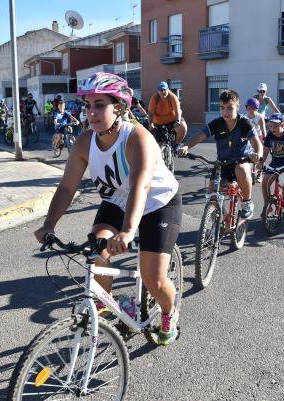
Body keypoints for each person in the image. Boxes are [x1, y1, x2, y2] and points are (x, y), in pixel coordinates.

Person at [34, 72, 182, 345]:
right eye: (87, 105)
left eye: (99, 104)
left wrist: (127, 232)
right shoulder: (84, 142)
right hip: (117, 201)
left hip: (158, 202)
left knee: (154, 278)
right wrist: (48, 225)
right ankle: (110, 304)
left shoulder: (136, 137)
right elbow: (67, 188)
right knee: (96, 252)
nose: (91, 112)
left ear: (120, 107)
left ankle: (169, 312)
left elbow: (141, 186)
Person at [178, 89, 262, 219]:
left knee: (241, 168)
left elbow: (257, 143)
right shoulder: (217, 123)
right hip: (222, 164)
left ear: (238, 107)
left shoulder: (244, 123)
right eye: (222, 108)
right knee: (212, 193)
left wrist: (257, 154)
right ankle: (220, 220)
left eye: (229, 108)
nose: (225, 112)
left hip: (241, 161)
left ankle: (247, 203)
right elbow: (200, 136)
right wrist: (185, 146)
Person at [148, 81, 187, 148]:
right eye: (160, 90)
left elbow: (177, 110)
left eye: (164, 90)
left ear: (168, 89)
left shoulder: (172, 97)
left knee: (183, 127)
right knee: (158, 146)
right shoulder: (154, 98)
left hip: (172, 121)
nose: (162, 92)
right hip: (158, 123)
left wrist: (178, 121)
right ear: (158, 90)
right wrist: (150, 123)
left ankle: (176, 145)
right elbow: (150, 112)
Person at [245, 97, 267, 183]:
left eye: (253, 108)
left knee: (260, 156)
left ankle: (259, 174)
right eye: (249, 108)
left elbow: (263, 129)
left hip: (259, 137)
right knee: (247, 155)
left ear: (257, 109)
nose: (250, 110)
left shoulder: (259, 117)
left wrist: (264, 140)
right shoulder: (245, 117)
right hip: (249, 138)